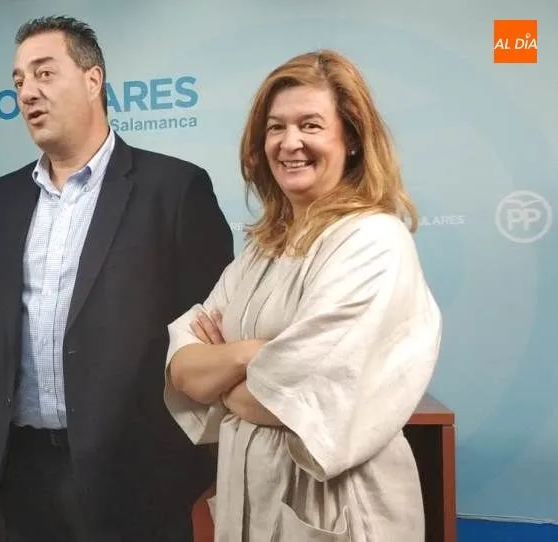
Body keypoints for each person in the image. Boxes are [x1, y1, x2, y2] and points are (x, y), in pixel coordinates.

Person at [165, 49, 442, 541]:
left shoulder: (372, 241)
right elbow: (183, 369)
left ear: (351, 139)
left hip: (340, 510)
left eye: (310, 125)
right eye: (276, 127)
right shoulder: (262, 250)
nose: (289, 142)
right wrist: (256, 354)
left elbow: (288, 401)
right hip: (252, 499)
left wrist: (225, 376)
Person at [0, 15, 235, 542]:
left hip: (135, 476)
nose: (28, 92)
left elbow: (209, 335)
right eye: (19, 81)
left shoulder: (174, 189)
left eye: (44, 73)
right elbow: (4, 322)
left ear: (93, 79)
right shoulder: (4, 198)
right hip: (23, 473)